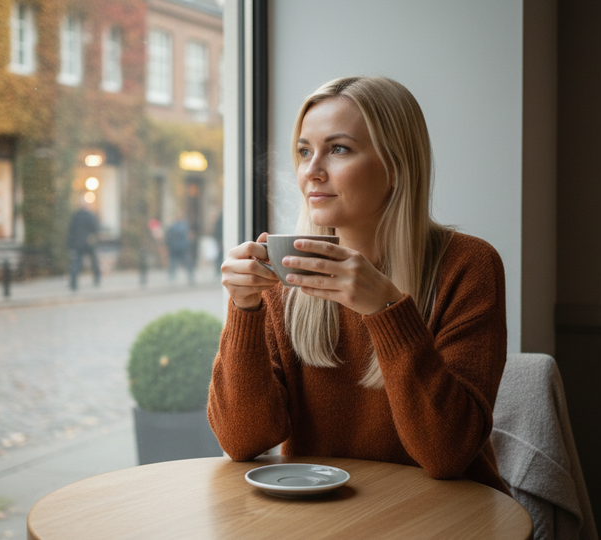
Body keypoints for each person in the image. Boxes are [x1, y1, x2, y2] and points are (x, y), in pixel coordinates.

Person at [208, 76, 510, 495]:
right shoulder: (288, 271)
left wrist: (386, 311)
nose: (311, 171)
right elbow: (243, 441)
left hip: (449, 517)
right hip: (327, 514)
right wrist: (244, 309)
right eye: (304, 152)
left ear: (396, 164)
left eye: (338, 149)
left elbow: (448, 454)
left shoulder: (468, 266)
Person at [67, 199, 101, 289]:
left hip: (78, 243)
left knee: (76, 262)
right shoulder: (89, 215)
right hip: (88, 242)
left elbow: (71, 230)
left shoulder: (76, 216)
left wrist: (70, 244)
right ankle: (97, 278)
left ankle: (73, 282)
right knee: (93, 261)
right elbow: (95, 228)